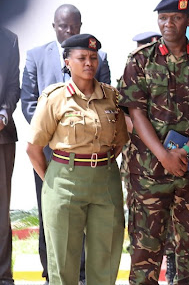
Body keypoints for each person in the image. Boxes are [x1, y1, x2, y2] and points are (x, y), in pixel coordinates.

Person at [118, 0, 189, 285]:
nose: (168, 24)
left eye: (176, 18)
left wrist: (184, 151)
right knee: (145, 252)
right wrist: (164, 155)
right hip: (149, 171)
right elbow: (135, 112)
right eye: (163, 18)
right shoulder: (140, 60)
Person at [26, 34, 127, 285]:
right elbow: (34, 149)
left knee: (106, 256)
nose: (89, 63)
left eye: (93, 58)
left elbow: (119, 141)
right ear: (67, 62)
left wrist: (98, 163)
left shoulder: (111, 97)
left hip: (105, 181)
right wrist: (54, 178)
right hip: (65, 181)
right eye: (81, 58)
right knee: (64, 261)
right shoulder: (55, 97)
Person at [0, 28, 20, 285]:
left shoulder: (8, 39)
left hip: (0, 136)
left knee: (0, 212)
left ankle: (3, 276)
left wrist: (3, 114)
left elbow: (13, 86)